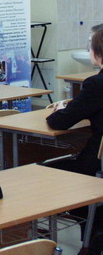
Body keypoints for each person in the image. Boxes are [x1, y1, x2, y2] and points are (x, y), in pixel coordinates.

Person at [46, 27, 103, 253]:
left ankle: (92, 234)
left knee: (47, 172)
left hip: (97, 164)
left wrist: (61, 109)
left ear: (98, 52)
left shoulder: (96, 84)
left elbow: (58, 122)